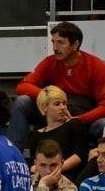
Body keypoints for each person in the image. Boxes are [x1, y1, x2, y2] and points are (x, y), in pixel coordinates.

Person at [10, 22, 105, 150]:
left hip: (83, 120)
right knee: (22, 102)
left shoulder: (95, 65)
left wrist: (79, 119)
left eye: (61, 42)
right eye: (53, 42)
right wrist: (49, 97)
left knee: (103, 124)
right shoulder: (50, 62)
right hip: (52, 116)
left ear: (75, 44)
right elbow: (23, 86)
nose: (55, 47)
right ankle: (12, 156)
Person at [26, 86, 86, 181]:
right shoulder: (36, 134)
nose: (63, 107)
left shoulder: (74, 125)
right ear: (45, 107)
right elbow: (34, 164)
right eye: (57, 104)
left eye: (64, 103)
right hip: (43, 176)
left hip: (69, 176)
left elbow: (79, 156)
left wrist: (53, 171)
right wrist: (41, 170)